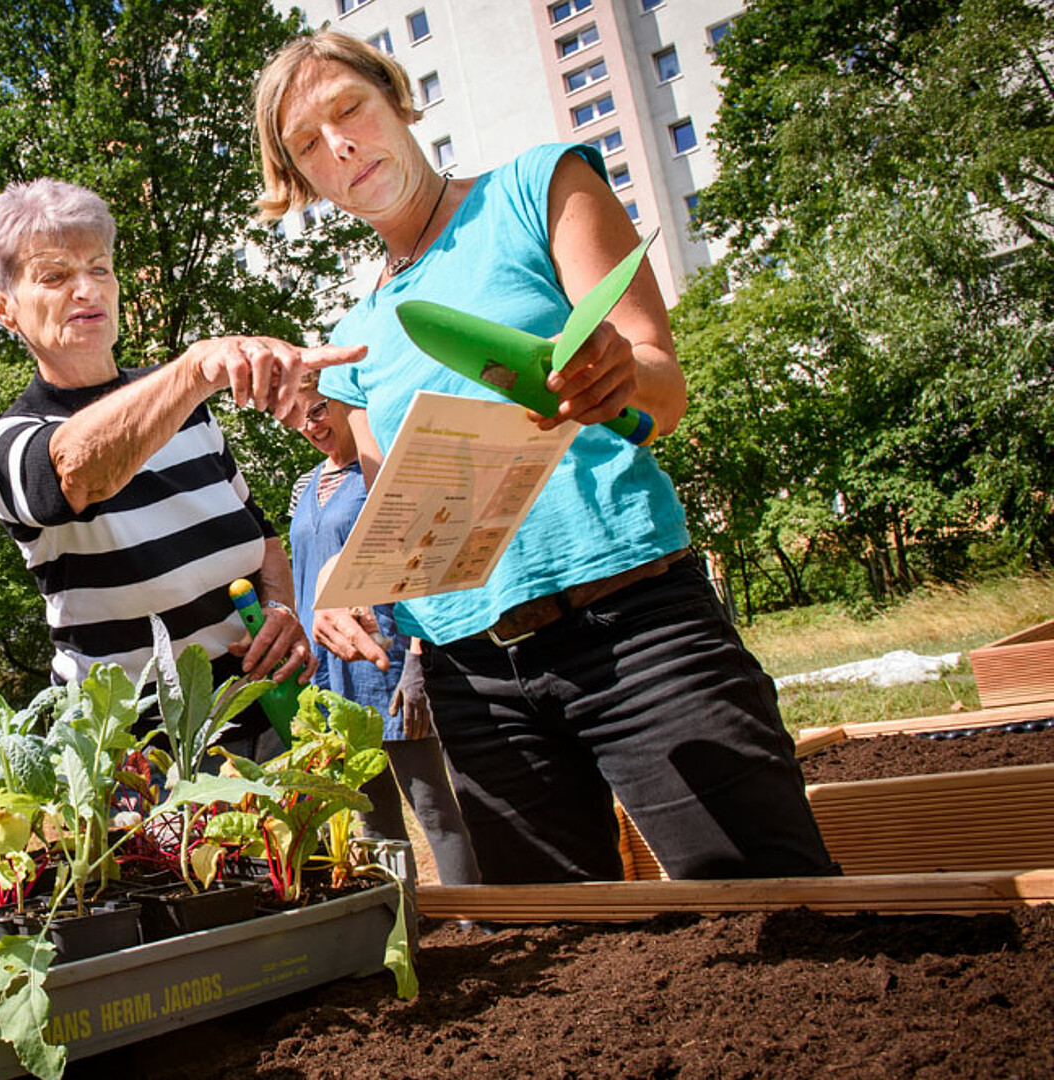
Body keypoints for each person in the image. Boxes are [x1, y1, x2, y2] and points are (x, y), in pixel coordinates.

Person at [252, 31, 835, 883]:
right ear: (305, 182)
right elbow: (399, 508)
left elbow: (664, 393)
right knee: (570, 964)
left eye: (351, 111)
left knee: (771, 900)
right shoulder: (354, 340)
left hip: (634, 627)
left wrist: (619, 374)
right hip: (472, 680)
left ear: (398, 103)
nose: (339, 146)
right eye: (309, 145)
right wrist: (357, 583)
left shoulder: (541, 186)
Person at [0, 178, 364, 739]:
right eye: (54, 276)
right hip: (138, 744)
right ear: (4, 308)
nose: (86, 290)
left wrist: (279, 611)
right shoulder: (5, 440)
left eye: (99, 268)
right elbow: (76, 471)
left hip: (264, 709)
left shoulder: (188, 409)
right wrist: (196, 367)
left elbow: (261, 537)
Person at [288, 373, 480, 885]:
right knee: (371, 816)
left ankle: (475, 921)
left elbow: (422, 566)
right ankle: (406, 929)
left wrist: (416, 661)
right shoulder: (304, 487)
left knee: (432, 806)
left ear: (347, 404)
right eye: (299, 416)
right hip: (329, 674)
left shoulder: (382, 476)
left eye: (320, 408)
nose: (311, 425)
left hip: (386, 661)